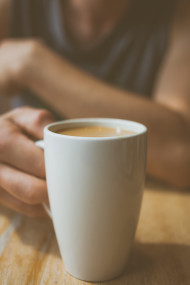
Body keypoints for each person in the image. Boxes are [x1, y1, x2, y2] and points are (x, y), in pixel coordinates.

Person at [0, 0, 190, 217]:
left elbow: (182, 153)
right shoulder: (11, 7)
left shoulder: (179, 14)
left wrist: (34, 65)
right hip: (30, 218)